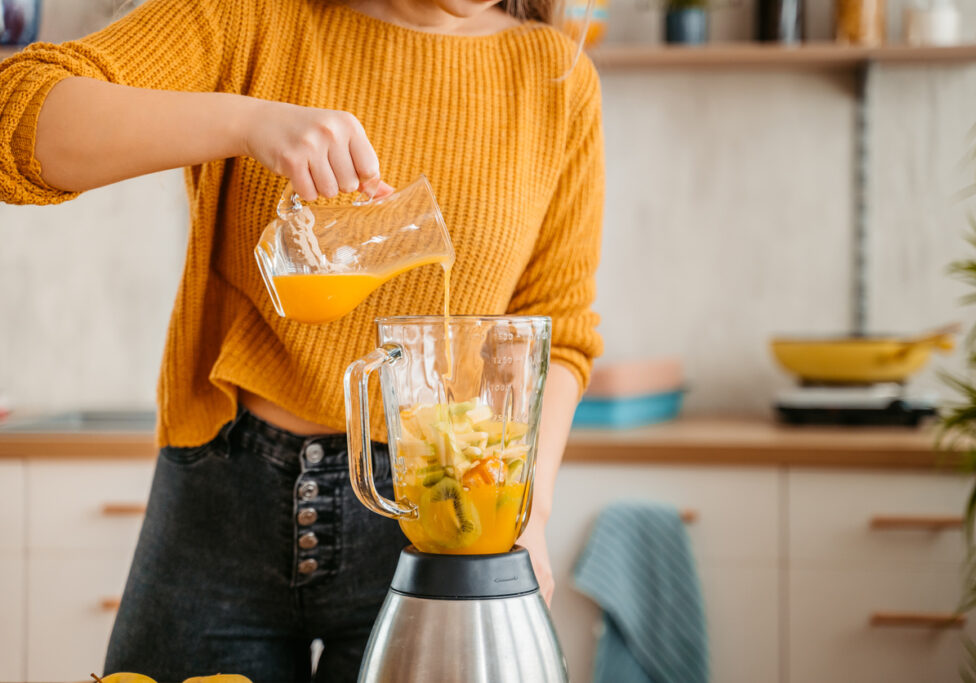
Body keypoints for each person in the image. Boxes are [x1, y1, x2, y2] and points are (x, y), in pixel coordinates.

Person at [0, 0, 603, 678]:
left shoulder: (557, 78)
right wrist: (249, 120)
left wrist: (530, 514)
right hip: (222, 499)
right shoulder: (255, 16)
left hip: (436, 513)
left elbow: (559, 322)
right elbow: (17, 112)